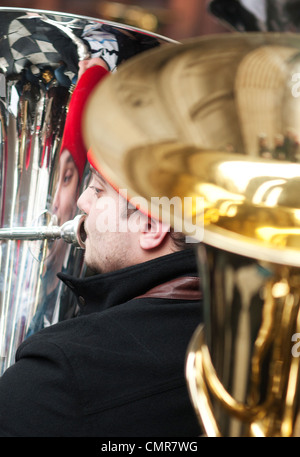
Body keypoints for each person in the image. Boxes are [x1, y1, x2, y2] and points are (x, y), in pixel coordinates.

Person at [0, 65, 203, 438]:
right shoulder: (249, 327)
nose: (81, 202)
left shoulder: (58, 374)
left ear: (150, 226)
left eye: (96, 190)